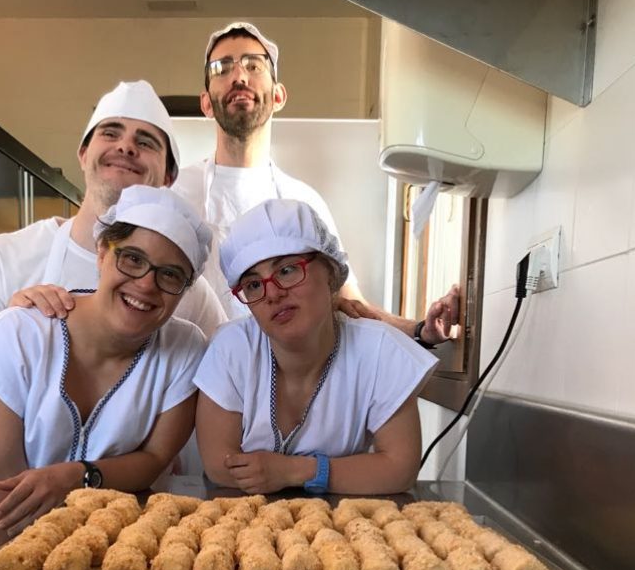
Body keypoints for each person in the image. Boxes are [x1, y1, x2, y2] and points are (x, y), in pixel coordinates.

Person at [0, 186, 211, 570]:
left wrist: (76, 476)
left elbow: (154, 459)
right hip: (1, 546)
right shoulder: (18, 336)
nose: (146, 284)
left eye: (170, 275)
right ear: (103, 253)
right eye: (133, 259)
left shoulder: (184, 350)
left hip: (111, 566)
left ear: (184, 290)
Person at [0, 80, 226, 416]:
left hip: (136, 469)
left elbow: (230, 382)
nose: (126, 147)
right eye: (111, 133)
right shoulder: (4, 257)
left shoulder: (188, 290)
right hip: (19, 468)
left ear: (169, 177)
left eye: (145, 142)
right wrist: (8, 332)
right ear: (83, 153)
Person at [173, 20, 458, 343]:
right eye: (222, 68)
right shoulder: (177, 194)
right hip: (194, 380)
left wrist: (421, 329)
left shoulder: (302, 202)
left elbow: (349, 304)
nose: (239, 76)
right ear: (206, 103)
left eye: (254, 65)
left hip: (284, 381)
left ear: (278, 96)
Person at [194, 198, 437, 496]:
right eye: (254, 285)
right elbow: (219, 466)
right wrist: (346, 472)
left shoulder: (379, 352)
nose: (272, 293)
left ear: (331, 273)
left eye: (286, 270)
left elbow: (399, 469)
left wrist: (296, 471)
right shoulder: (232, 349)